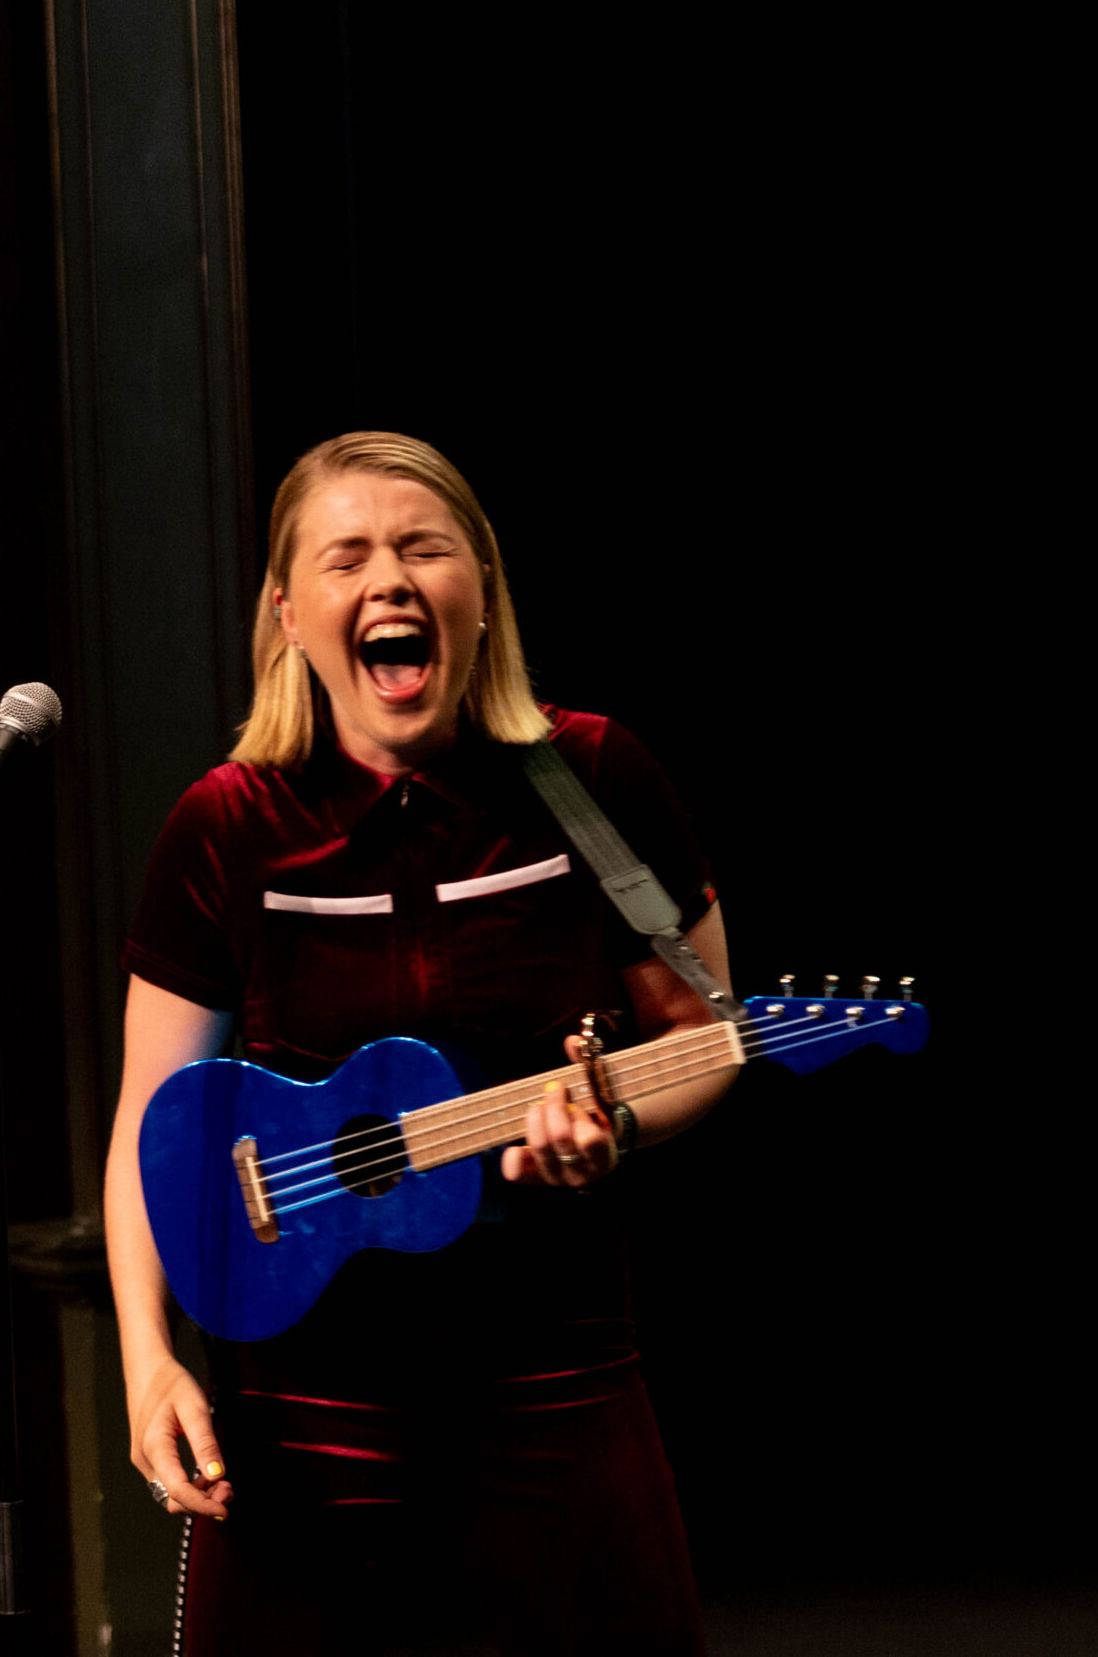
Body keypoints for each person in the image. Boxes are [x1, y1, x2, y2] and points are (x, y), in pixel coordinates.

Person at [103, 432, 737, 1655]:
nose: (388, 581)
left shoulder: (593, 779)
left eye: (422, 549)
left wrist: (610, 1124)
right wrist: (146, 1364)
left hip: (557, 1390)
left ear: (480, 594)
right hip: (301, 1414)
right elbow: (147, 1117)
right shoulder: (227, 827)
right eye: (347, 558)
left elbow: (703, 1037)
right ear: (290, 614)